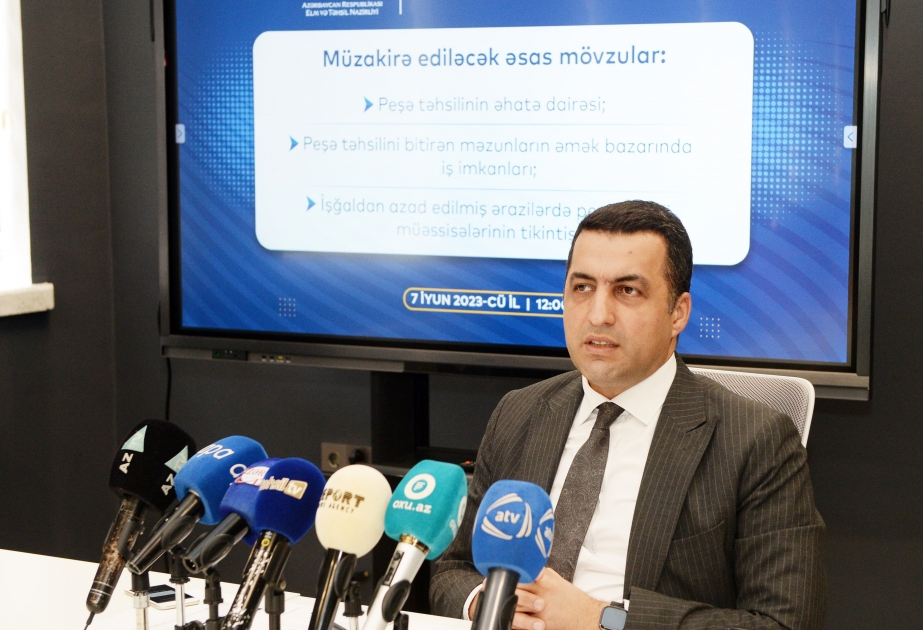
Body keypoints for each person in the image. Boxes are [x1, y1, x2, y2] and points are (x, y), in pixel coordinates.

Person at [430, 200, 826, 630]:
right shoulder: (519, 412)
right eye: (582, 287)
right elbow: (452, 569)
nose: (598, 315)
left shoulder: (755, 441)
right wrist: (484, 603)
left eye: (627, 291)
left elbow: (783, 623)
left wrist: (602, 619)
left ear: (678, 313)